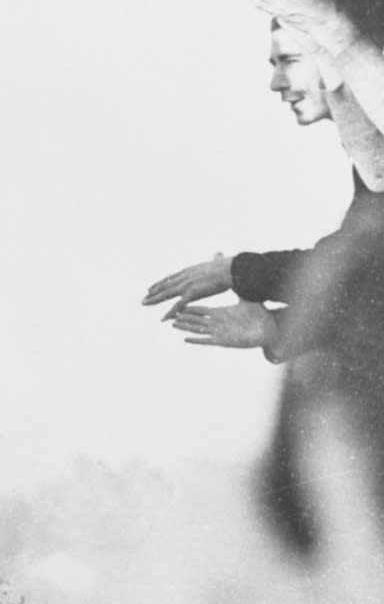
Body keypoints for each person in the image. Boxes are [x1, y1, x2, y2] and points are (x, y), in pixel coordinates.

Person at [142, 18, 384, 361]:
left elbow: (358, 269)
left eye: (289, 60)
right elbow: (369, 291)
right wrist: (274, 326)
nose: (275, 83)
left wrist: (237, 272)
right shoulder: (371, 167)